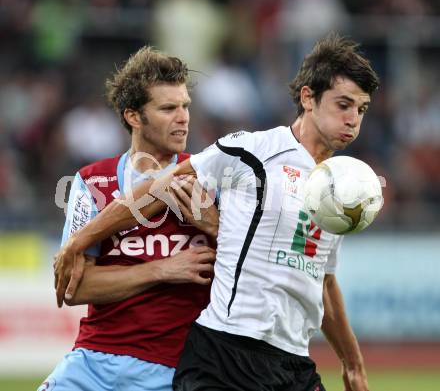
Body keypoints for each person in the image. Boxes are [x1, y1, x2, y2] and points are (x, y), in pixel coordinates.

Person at [54, 34, 380, 391]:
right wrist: (81, 244)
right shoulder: (245, 155)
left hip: (268, 360)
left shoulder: (336, 190)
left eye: (361, 110)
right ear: (308, 98)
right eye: (344, 105)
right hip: (202, 355)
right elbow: (75, 285)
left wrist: (353, 364)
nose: (353, 120)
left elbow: (322, 278)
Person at [40, 47, 219, 391]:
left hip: (175, 370)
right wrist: (162, 269)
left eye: (185, 106)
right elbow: (74, 289)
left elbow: (247, 267)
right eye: (168, 108)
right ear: (134, 117)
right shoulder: (92, 181)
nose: (183, 117)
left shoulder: (211, 178)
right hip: (91, 363)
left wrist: (217, 227)